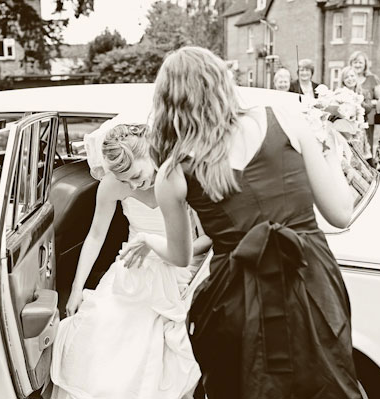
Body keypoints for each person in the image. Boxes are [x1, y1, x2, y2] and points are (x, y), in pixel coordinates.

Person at [121, 46, 361, 399]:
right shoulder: (288, 120)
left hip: (239, 299)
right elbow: (342, 214)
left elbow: (180, 255)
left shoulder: (172, 173)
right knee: (325, 382)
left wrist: (147, 240)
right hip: (311, 282)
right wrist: (332, 150)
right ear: (223, 82)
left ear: (168, 102)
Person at [50, 123, 211, 399]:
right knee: (102, 325)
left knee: (157, 343)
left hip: (181, 267)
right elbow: (96, 236)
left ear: (151, 153)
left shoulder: (178, 180)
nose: (135, 185)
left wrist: (159, 248)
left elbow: (207, 239)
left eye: (137, 175)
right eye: (126, 181)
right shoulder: (112, 185)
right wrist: (77, 290)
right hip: (132, 265)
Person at [348, 51, 380, 156]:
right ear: (351, 64)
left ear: (365, 64)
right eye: (355, 62)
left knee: (367, 144)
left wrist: (367, 102)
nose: (357, 65)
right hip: (350, 117)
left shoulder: (372, 79)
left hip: (368, 116)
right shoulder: (348, 77)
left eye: (360, 62)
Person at [340, 65, 373, 160]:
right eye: (346, 77)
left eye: (352, 76)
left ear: (356, 77)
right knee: (347, 156)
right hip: (345, 130)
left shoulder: (364, 92)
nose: (350, 79)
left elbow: (369, 109)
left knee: (360, 157)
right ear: (343, 80)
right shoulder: (340, 93)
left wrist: (359, 101)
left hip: (360, 130)